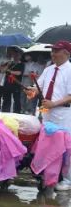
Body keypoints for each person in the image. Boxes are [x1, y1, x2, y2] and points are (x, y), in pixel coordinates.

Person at [35, 40, 71, 191]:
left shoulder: (70, 70)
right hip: (46, 112)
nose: (53, 54)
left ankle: (67, 179)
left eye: (56, 51)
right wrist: (31, 90)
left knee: (66, 147)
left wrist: (54, 104)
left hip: (63, 113)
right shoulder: (49, 69)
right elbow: (39, 87)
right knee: (47, 144)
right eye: (52, 51)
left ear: (66, 53)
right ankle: (48, 174)